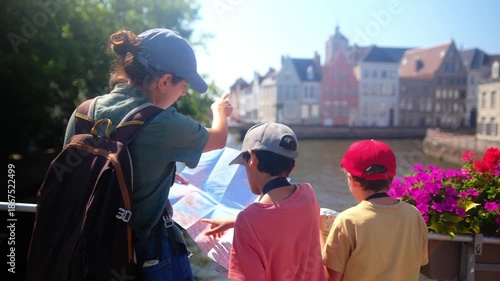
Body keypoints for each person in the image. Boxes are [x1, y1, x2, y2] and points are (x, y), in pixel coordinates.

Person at [63, 28, 232, 281]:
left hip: (85, 254)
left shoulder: (84, 112)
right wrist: (219, 111)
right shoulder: (163, 123)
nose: (184, 93)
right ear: (164, 82)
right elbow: (218, 139)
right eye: (183, 85)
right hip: (145, 260)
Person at [203, 122, 325, 281]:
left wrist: (240, 224)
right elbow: (284, 218)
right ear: (292, 167)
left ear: (252, 159)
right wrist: (235, 222)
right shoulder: (308, 194)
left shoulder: (248, 220)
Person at [322, 139, 429, 281]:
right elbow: (419, 262)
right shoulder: (414, 215)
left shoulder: (348, 221)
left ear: (351, 179)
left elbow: (331, 278)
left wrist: (320, 235)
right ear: (391, 177)